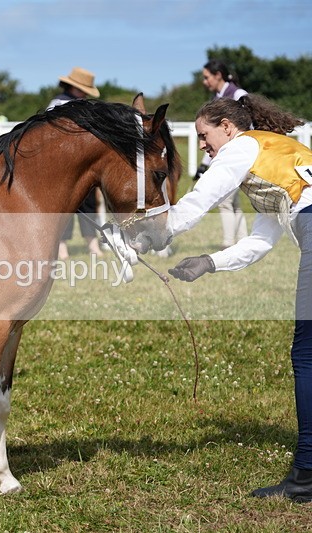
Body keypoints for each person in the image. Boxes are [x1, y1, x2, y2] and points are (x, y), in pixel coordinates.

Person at [166, 95, 312, 502]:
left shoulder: (242, 147)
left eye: (204, 135)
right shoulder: (273, 154)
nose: (203, 146)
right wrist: (209, 263)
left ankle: (306, 476)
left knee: (307, 356)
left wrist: (157, 228)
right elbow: (262, 241)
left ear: (227, 127)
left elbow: (199, 201)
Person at [47, 67, 103, 260]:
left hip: (84, 160)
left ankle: (92, 244)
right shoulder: (58, 104)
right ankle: (61, 246)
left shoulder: (87, 106)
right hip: (63, 162)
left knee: (88, 204)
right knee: (65, 205)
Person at [196, 59, 249, 248]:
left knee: (224, 201)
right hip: (224, 156)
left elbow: (248, 128)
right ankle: (243, 242)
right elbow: (213, 136)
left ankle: (228, 244)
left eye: (206, 77)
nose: (204, 81)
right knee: (233, 203)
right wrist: (204, 164)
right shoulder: (217, 99)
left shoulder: (238, 95)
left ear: (217, 75)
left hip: (236, 157)